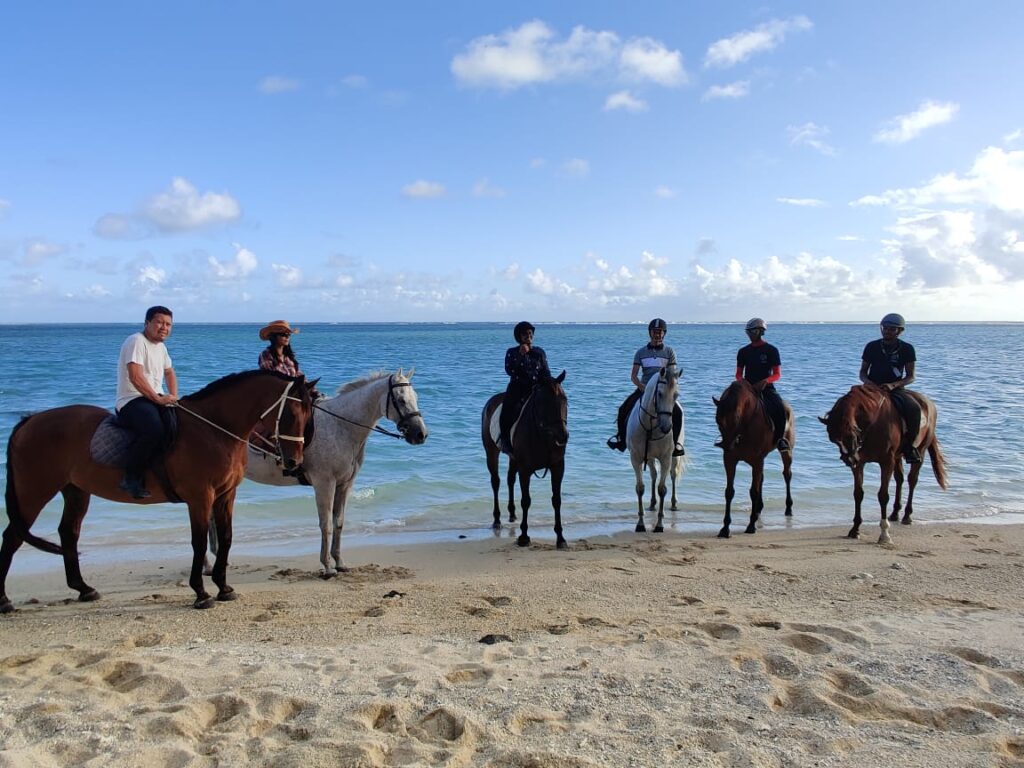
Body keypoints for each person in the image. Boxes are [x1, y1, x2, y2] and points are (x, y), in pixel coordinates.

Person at [115, 305, 178, 498]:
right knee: (154, 430)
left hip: (154, 399)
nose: (164, 327)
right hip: (132, 399)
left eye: (168, 324)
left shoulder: (161, 347)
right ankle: (130, 478)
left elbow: (169, 372)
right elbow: (136, 377)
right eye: (159, 322)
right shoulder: (136, 341)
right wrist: (158, 399)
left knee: (177, 426)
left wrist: (173, 397)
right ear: (147, 323)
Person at [606, 318, 684, 456]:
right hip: (644, 389)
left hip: (662, 391)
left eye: (660, 332)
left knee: (678, 412)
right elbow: (634, 376)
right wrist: (641, 386)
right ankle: (621, 440)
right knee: (623, 409)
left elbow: (671, 375)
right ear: (650, 333)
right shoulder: (640, 353)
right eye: (655, 331)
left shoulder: (669, 352)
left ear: (664, 334)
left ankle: (676, 445)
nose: (657, 334)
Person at [860, 312, 921, 463]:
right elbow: (863, 372)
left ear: (900, 331)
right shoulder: (872, 346)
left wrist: (893, 385)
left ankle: (910, 447)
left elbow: (911, 376)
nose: (887, 331)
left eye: (892, 329)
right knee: (850, 406)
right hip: (872, 388)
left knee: (914, 408)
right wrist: (869, 383)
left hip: (895, 389)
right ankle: (852, 443)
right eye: (885, 328)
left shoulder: (907, 349)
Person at [732, 317, 790, 453]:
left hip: (766, 388)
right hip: (748, 388)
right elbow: (738, 373)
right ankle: (731, 437)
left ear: (760, 332)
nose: (749, 335)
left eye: (752, 331)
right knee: (731, 407)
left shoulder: (771, 350)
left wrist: (765, 381)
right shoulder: (743, 351)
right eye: (748, 332)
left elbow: (777, 374)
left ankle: (780, 439)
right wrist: (743, 382)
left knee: (780, 407)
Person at [499, 321, 550, 455]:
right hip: (518, 388)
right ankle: (505, 440)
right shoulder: (512, 352)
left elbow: (545, 372)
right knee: (507, 409)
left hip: (536, 389)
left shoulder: (539, 352)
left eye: (530, 333)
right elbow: (509, 371)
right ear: (519, 337)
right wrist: (521, 356)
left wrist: (551, 383)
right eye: (525, 334)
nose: (528, 336)